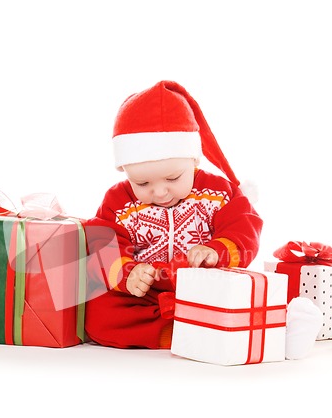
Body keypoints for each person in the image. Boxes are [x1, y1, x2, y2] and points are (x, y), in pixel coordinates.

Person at [84, 80, 319, 353]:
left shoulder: (217, 191)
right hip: (146, 295)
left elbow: (244, 225)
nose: (160, 192)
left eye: (173, 177)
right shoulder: (118, 200)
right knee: (100, 312)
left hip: (206, 287)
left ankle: (275, 326)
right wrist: (128, 273)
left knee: (239, 296)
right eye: (142, 183)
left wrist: (216, 250)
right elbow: (102, 242)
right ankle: (181, 332)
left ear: (193, 159)